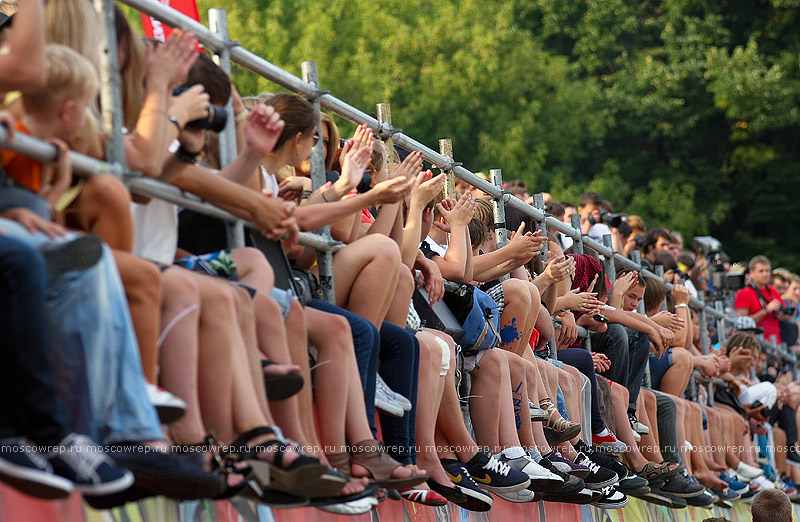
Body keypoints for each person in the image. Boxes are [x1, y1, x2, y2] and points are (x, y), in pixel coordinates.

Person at [735, 255, 789, 345]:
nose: (765, 274)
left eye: (767, 271)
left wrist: (781, 315)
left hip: (775, 342)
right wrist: (766, 310)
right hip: (755, 343)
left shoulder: (772, 291)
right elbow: (742, 322)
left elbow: (787, 315)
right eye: (761, 271)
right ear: (752, 272)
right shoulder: (744, 293)